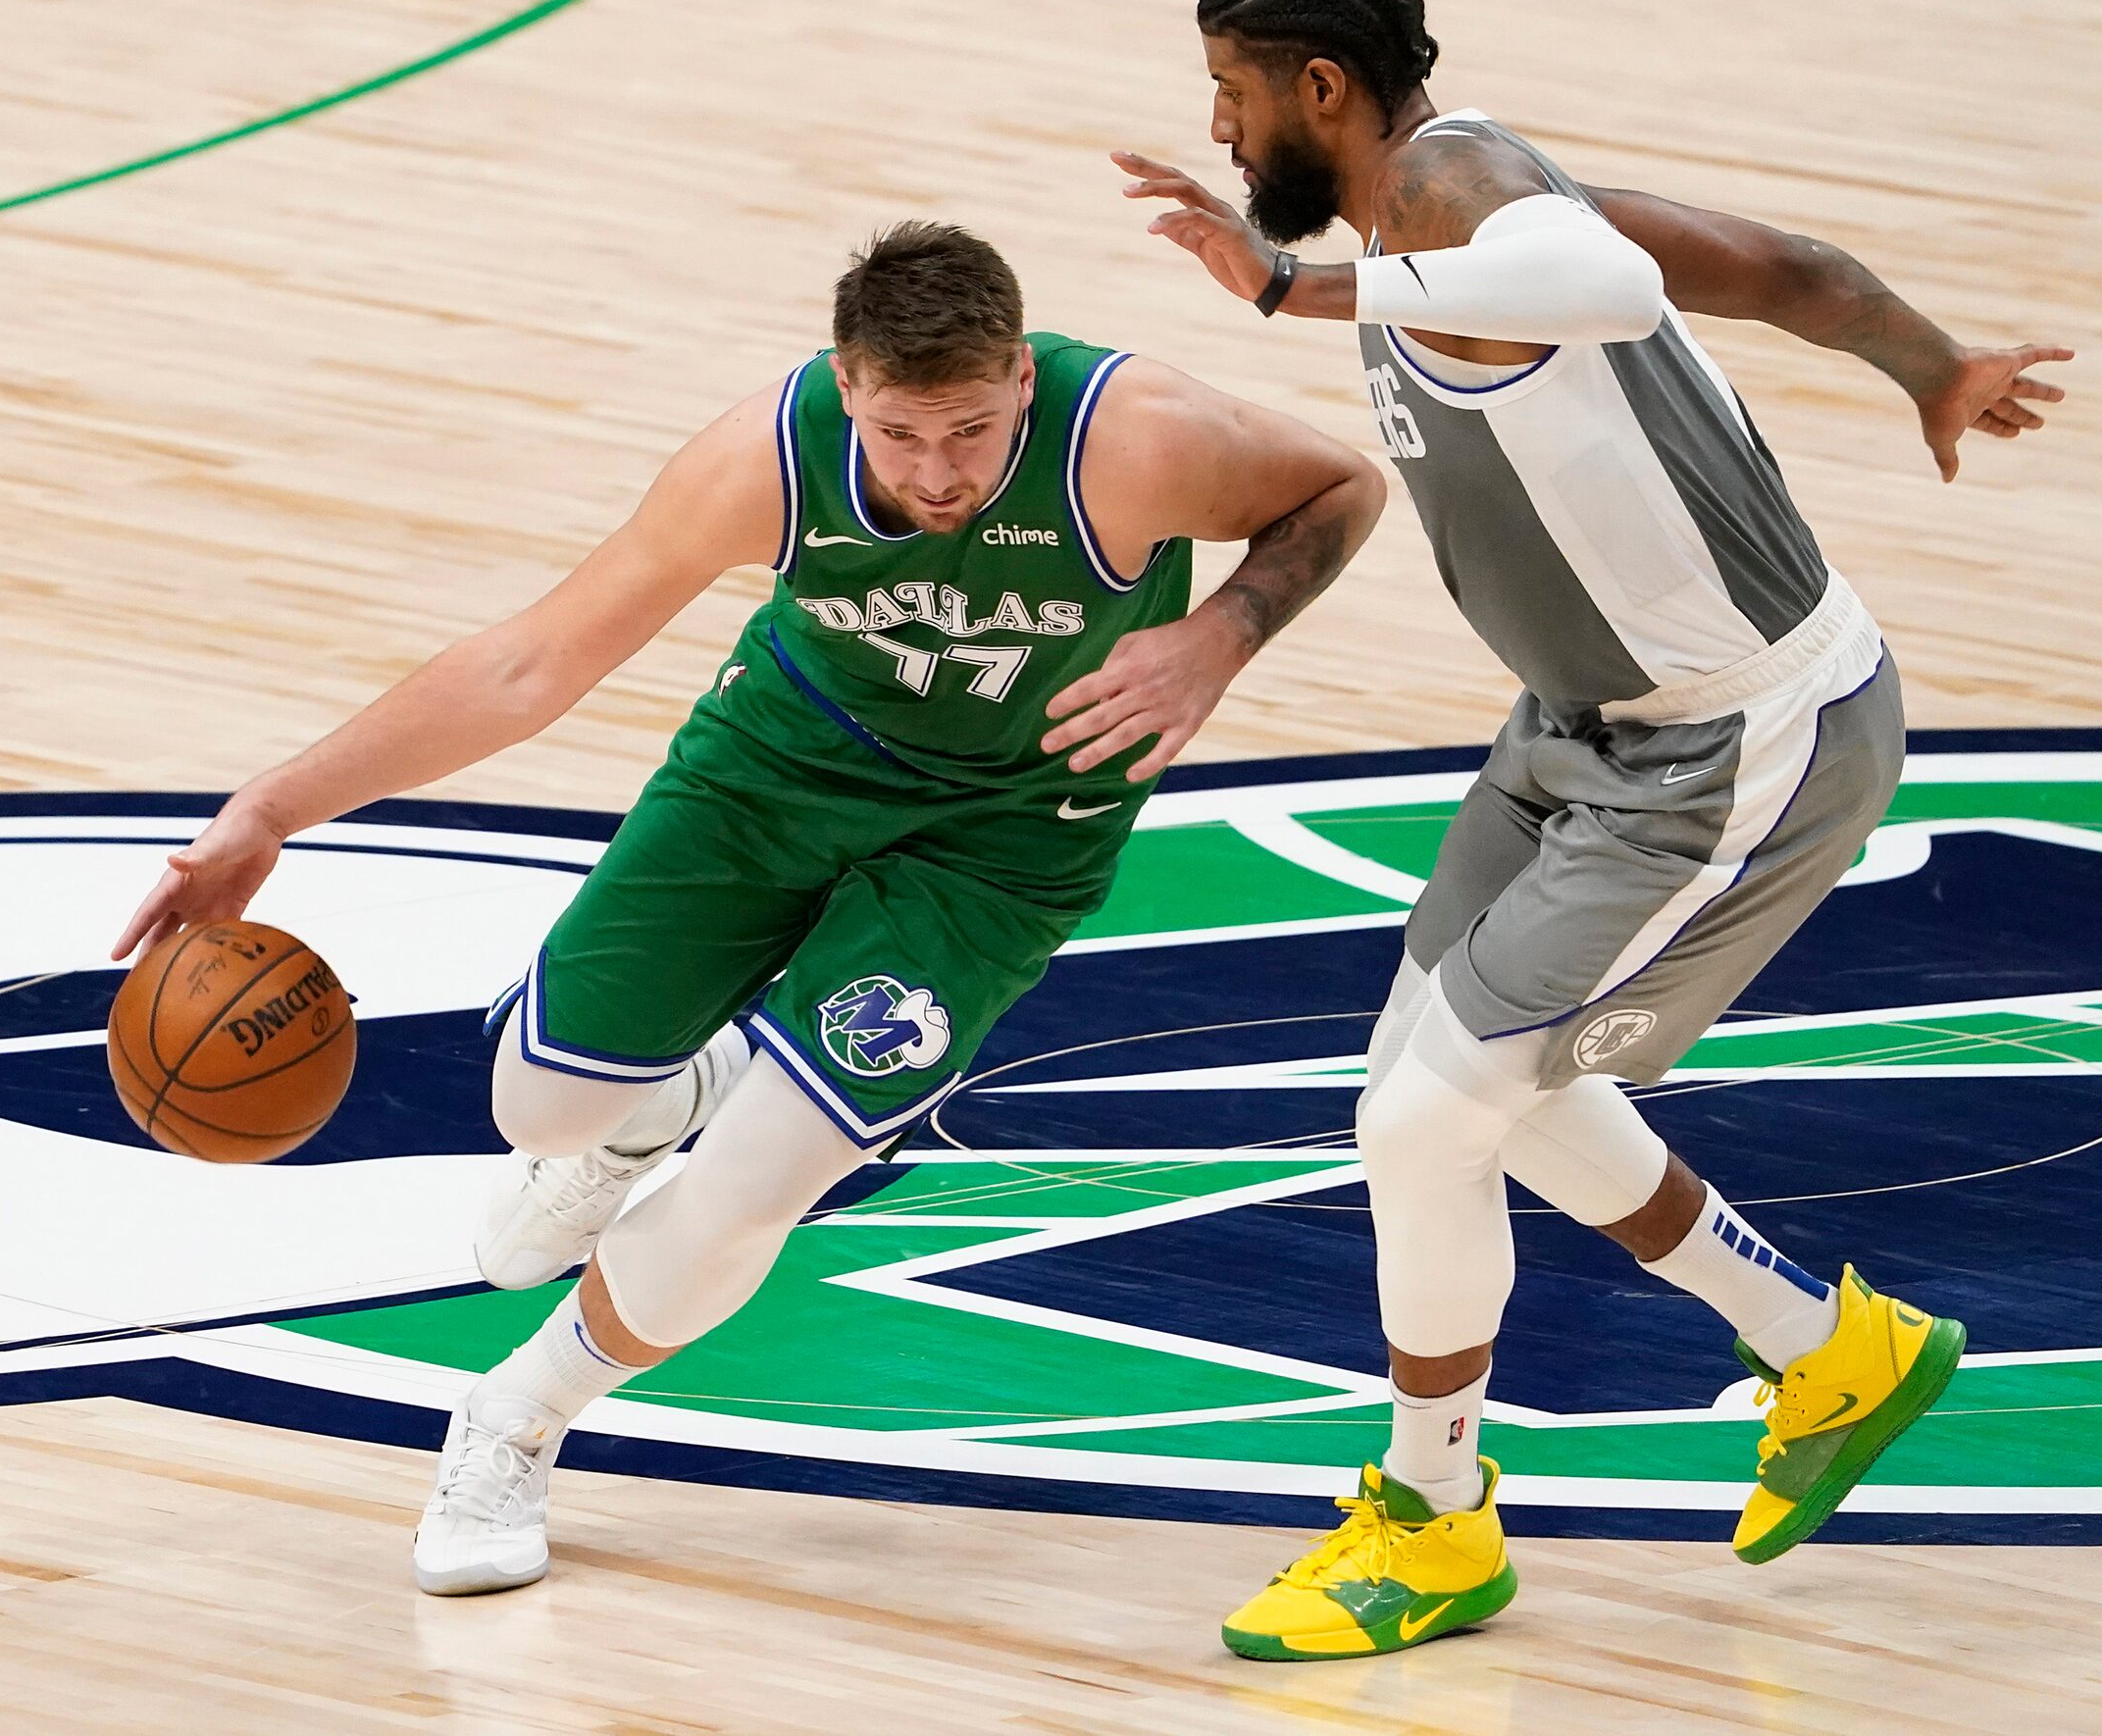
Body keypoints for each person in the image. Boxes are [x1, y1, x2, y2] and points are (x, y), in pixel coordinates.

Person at [113, 221, 1387, 1597]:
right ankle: (639, 1117)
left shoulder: (1134, 438)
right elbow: (530, 664)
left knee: (753, 1185)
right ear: (848, 386)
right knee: (540, 1108)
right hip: (779, 765)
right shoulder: (764, 457)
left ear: (1022, 375)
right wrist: (270, 808)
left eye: (970, 428)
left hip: (1009, 834)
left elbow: (1339, 487)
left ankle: (515, 1415)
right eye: (903, 434)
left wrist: (1221, 632)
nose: (940, 472)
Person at [1120, 0, 2076, 1659]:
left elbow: (1617, 289)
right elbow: (1783, 267)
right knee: (1438, 1081)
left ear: (1320, 89)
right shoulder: (1460, 195)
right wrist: (1930, 362)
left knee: (1423, 1121)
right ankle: (1824, 1349)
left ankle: (1432, 1516)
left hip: (1740, 741)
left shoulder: (1466, 188)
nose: (1218, 133)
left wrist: (1291, 290)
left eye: (1231, 96)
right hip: (1582, 723)